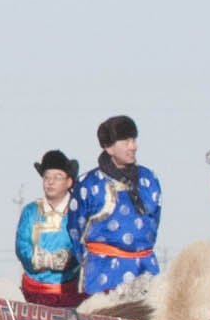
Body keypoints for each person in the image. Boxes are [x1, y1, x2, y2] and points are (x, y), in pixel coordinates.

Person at [66, 116, 161, 300]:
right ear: (109, 147)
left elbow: (154, 223)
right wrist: (89, 260)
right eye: (126, 141)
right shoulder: (88, 185)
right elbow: (74, 230)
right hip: (102, 274)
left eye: (134, 140)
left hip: (145, 270)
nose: (133, 146)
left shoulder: (149, 180)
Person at [15, 153, 81, 306]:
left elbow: (82, 244)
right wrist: (36, 258)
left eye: (57, 177)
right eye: (47, 177)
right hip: (31, 292)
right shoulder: (30, 211)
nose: (50, 182)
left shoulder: (77, 212)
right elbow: (21, 244)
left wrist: (68, 257)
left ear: (69, 182)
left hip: (67, 291)